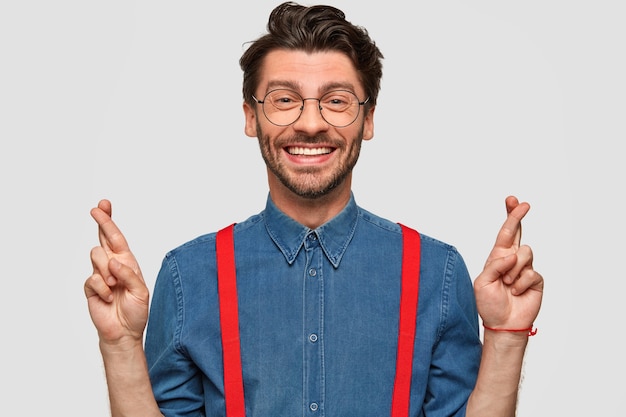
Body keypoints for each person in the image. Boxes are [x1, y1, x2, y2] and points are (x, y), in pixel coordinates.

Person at [84, 2, 544, 416]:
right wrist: (120, 343)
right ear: (250, 116)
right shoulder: (189, 274)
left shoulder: (436, 271)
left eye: (336, 101)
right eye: (284, 100)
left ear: (367, 119)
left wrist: (505, 338)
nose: (309, 123)